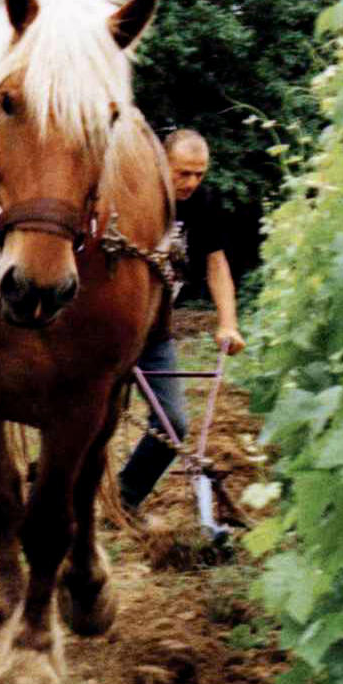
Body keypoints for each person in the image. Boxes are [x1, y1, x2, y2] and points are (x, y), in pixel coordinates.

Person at [118, 126, 241, 520]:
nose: (191, 182)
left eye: (199, 174)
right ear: (161, 163)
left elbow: (215, 263)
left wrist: (228, 322)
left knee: (173, 424)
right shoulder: (132, 194)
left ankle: (123, 498)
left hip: (154, 331)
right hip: (109, 329)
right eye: (182, 172)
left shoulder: (202, 204)